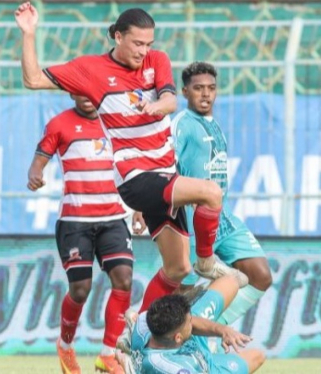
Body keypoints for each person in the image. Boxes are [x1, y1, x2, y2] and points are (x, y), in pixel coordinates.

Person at [15, 2, 246, 316]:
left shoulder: (156, 60)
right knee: (210, 193)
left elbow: (169, 98)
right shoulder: (90, 70)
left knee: (177, 269)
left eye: (148, 43)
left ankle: (133, 330)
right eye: (137, 43)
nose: (143, 51)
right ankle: (206, 261)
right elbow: (32, 79)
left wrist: (157, 107)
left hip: (165, 175)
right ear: (118, 37)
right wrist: (29, 33)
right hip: (135, 176)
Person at [134, 61, 273, 327]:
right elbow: (162, 166)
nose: (206, 94)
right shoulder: (182, 125)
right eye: (198, 89)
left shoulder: (214, 125)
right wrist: (141, 206)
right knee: (179, 295)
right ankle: (138, 334)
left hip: (222, 217)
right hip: (191, 220)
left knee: (261, 275)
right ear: (185, 92)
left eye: (211, 88)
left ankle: (204, 335)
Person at [27, 94, 133, 374]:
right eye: (80, 92)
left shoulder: (116, 122)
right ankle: (65, 345)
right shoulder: (59, 124)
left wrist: (140, 206)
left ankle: (108, 355)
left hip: (113, 218)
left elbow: (129, 167)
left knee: (123, 280)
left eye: (92, 92)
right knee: (81, 289)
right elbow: (39, 160)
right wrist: (35, 173)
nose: (87, 98)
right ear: (71, 92)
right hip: (76, 221)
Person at [116, 275, 266, 374]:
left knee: (230, 281)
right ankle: (212, 348)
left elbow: (137, 318)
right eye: (189, 322)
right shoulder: (170, 367)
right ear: (178, 337)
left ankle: (213, 334)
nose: (192, 321)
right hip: (207, 368)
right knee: (257, 356)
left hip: (191, 342)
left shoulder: (146, 321)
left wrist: (222, 330)